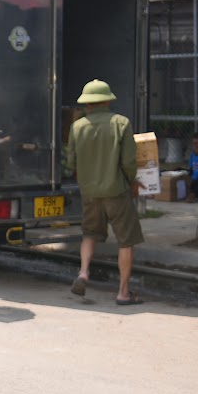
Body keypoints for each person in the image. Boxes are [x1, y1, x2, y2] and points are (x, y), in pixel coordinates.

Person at [63, 79, 144, 306]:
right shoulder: (121, 123)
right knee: (126, 241)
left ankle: (83, 272)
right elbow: (128, 162)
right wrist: (132, 182)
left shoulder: (77, 126)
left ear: (87, 103)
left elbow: (71, 163)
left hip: (89, 192)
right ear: (108, 100)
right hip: (116, 190)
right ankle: (123, 293)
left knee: (90, 233)